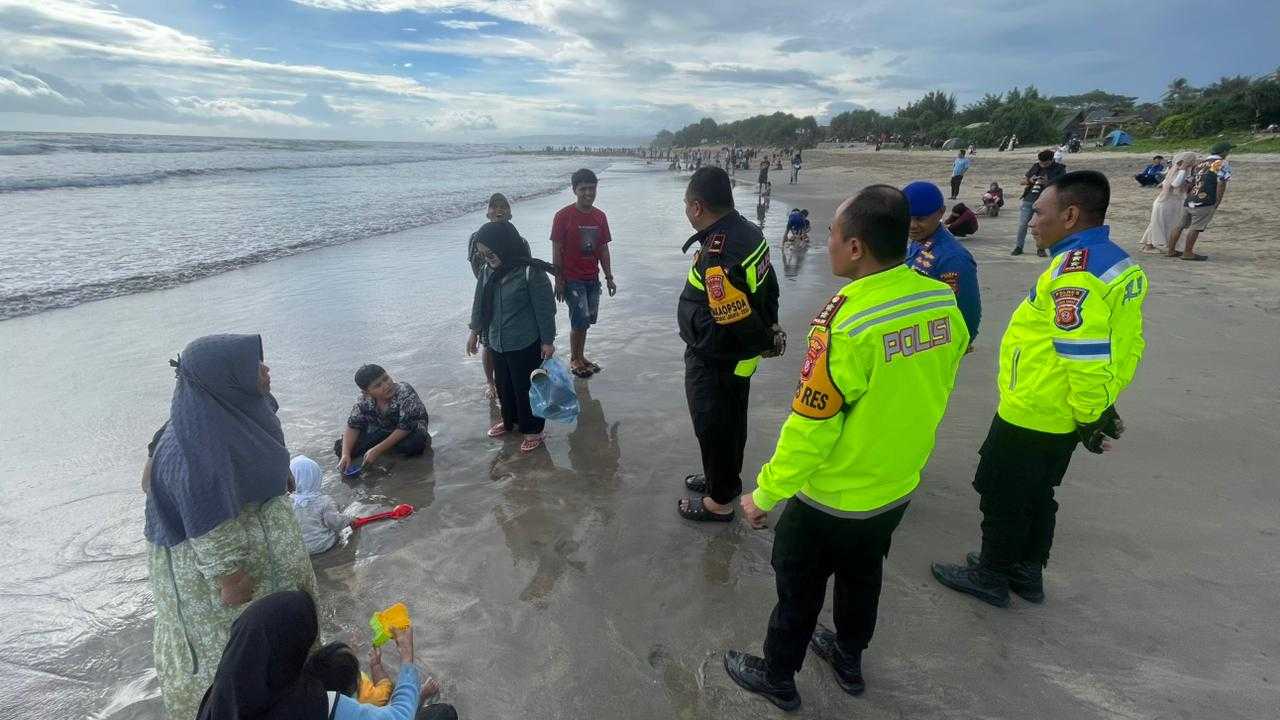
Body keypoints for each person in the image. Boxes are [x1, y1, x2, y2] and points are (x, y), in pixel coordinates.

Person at [724, 186, 969, 711]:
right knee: (864, 577)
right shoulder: (940, 301)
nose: (827, 243)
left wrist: (764, 493)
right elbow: (942, 378)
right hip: (896, 484)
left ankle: (778, 676)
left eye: (833, 235)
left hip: (832, 496)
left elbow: (812, 426)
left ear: (856, 247)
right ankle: (849, 656)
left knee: (799, 588)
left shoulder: (846, 322)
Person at [932, 170, 1148, 607]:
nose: (1031, 220)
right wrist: (1100, 406)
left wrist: (1092, 414)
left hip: (1038, 406)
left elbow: (1084, 356)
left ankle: (992, 573)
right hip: (1065, 407)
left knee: (1001, 488)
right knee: (1037, 492)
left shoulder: (1077, 274)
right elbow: (1130, 342)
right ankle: (1026, 571)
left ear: (1070, 215)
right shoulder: (1115, 260)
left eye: (1039, 212)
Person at [145, 334, 317, 720]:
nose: (265, 370)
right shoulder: (195, 448)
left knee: (275, 659)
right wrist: (232, 578)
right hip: (230, 589)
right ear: (225, 377)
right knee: (239, 667)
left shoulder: (235, 411)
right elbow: (209, 524)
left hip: (266, 574)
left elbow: (262, 456)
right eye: (253, 366)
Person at [677, 167, 784, 522]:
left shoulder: (719, 252)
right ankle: (721, 480)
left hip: (716, 358)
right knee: (730, 423)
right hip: (735, 355)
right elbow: (769, 289)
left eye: (685, 205)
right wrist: (769, 332)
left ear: (697, 206)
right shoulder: (747, 232)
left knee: (714, 424)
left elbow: (734, 315)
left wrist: (765, 340)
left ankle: (719, 502)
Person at [196, 591, 456, 720]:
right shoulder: (314, 705)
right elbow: (397, 717)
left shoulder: (216, 700)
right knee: (442, 714)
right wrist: (407, 657)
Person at [468, 220, 558, 453]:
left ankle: (533, 430)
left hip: (525, 341)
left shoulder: (530, 272)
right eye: (483, 254)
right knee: (504, 385)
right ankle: (510, 422)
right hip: (497, 341)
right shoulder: (488, 271)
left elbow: (545, 308)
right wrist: (474, 331)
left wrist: (548, 340)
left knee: (525, 388)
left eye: (490, 252)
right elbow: (479, 302)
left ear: (504, 245)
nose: (487, 257)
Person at [550, 169, 616, 378]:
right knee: (578, 319)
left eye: (592, 188)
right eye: (583, 189)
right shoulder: (562, 216)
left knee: (586, 320)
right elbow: (556, 249)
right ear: (574, 190)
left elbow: (603, 249)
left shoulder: (600, 216)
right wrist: (558, 280)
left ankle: (581, 355)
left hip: (592, 277)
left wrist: (609, 277)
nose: (588, 193)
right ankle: (574, 359)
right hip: (571, 278)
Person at [903, 182, 981, 342]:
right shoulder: (918, 241)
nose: (912, 225)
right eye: (906, 218)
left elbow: (966, 312)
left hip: (933, 344)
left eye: (920, 219)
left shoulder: (953, 258)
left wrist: (961, 345)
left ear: (941, 213)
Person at [467, 194, 518, 401]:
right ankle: (491, 382)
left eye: (503, 206)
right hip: (489, 293)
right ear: (487, 212)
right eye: (494, 206)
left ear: (510, 212)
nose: (499, 210)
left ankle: (510, 379)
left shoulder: (517, 238)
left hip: (512, 295)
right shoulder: (477, 238)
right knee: (488, 342)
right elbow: (475, 267)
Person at [335, 365, 431, 472]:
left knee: (414, 444)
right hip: (383, 431)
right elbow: (353, 425)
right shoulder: (364, 400)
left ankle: (384, 455)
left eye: (386, 378)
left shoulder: (404, 391)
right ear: (367, 392)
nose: (386, 385)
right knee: (341, 446)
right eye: (378, 385)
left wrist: (377, 450)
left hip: (408, 431)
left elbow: (406, 427)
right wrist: (345, 454)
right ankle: (380, 452)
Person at [1167, 142, 1233, 262]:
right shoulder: (1221, 163)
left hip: (1191, 198)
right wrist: (1217, 201)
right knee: (1196, 227)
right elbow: (1221, 182)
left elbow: (1189, 181)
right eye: (1228, 151)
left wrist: (1190, 195)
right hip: (1205, 200)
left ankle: (1171, 250)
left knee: (1180, 226)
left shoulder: (1199, 164)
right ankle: (1187, 253)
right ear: (1223, 152)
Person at [290, 455, 353, 555]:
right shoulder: (324, 501)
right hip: (323, 545)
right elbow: (334, 523)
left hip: (301, 549)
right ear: (316, 476)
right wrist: (349, 520)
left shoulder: (288, 502)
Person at [1139, 151, 1197, 253]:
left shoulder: (1180, 170)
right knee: (1159, 223)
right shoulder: (1178, 171)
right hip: (1166, 202)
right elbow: (1175, 184)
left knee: (1162, 223)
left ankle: (1152, 245)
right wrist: (1183, 170)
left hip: (1171, 202)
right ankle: (1149, 246)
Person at [1012, 149, 1066, 256]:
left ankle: (1041, 248)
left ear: (1051, 160)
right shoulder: (1036, 166)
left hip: (1045, 201)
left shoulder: (1059, 169)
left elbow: (1062, 184)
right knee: (1023, 224)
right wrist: (1030, 180)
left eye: (1044, 163)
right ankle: (1018, 247)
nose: (1041, 165)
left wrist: (1047, 182)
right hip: (1029, 199)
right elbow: (1022, 181)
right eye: (1040, 162)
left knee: (1042, 225)